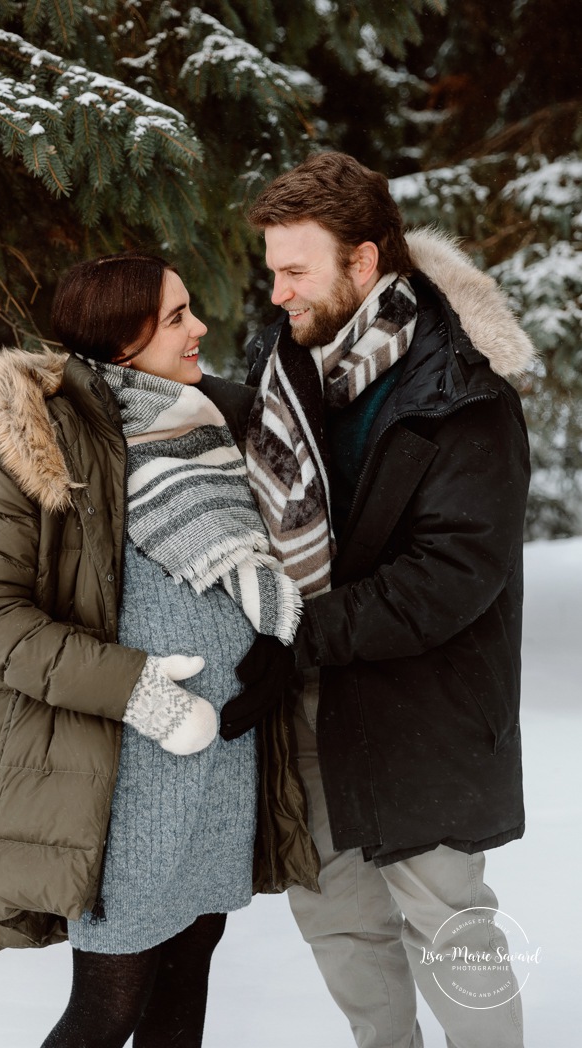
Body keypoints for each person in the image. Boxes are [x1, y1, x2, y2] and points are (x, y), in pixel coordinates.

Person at [201, 152, 533, 1048]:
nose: (276, 294)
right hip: (305, 702)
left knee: (448, 928)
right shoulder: (286, 367)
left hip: (419, 708)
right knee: (340, 923)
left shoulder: (463, 394)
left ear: (364, 261)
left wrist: (294, 630)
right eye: (272, 271)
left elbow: (451, 574)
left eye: (295, 271)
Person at [0, 253, 305, 1048]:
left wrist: (274, 637)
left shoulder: (214, 423)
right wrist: (136, 690)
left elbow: (260, 555)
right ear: (119, 343)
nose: (199, 327)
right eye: (176, 317)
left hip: (220, 762)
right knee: (107, 1009)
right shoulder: (41, 441)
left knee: (186, 978)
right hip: (119, 773)